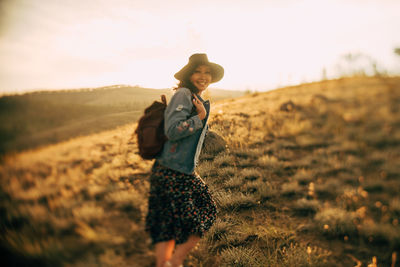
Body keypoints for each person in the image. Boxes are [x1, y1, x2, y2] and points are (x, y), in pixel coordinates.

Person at [145, 53, 224, 267]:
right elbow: (172, 131)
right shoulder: (183, 95)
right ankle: (175, 261)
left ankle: (167, 264)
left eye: (207, 72)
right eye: (198, 71)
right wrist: (198, 118)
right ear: (189, 75)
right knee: (206, 211)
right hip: (173, 171)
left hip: (171, 168)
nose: (203, 76)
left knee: (166, 225)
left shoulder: (195, 97)